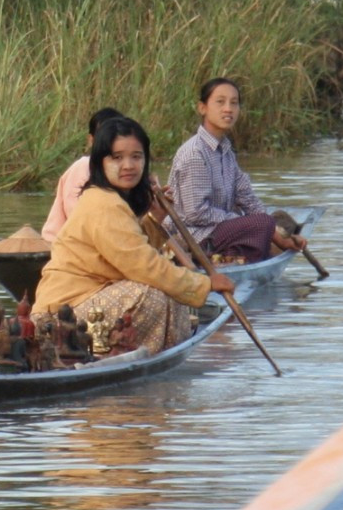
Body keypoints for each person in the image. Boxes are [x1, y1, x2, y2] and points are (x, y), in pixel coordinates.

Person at [34, 115, 232, 353]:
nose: (128, 165)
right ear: (100, 163)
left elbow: (130, 249)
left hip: (90, 297)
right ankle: (131, 356)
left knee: (170, 293)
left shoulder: (114, 200)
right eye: (117, 158)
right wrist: (206, 284)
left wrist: (155, 220)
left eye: (136, 157)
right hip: (63, 312)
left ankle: (156, 365)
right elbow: (143, 266)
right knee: (152, 294)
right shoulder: (103, 203)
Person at [166, 78, 307, 264]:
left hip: (217, 232)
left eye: (234, 103)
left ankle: (238, 256)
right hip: (193, 236)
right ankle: (233, 257)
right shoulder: (195, 153)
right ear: (203, 108)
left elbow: (246, 197)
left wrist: (274, 232)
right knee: (260, 224)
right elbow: (196, 213)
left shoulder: (226, 151)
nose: (228, 109)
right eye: (220, 102)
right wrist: (242, 221)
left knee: (263, 222)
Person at [43, 106, 125, 243]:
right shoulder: (82, 167)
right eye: (103, 138)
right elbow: (78, 218)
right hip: (63, 245)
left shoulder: (124, 170)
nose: (109, 145)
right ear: (91, 140)